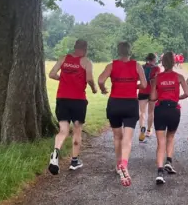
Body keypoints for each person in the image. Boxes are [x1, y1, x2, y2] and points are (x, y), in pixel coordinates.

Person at [98, 41, 147, 187]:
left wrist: (103, 88)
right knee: (128, 138)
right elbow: (144, 85)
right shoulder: (137, 65)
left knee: (117, 136)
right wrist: (133, 84)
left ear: (118, 51)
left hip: (115, 104)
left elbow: (100, 80)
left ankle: (118, 164)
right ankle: (124, 165)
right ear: (129, 51)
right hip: (130, 104)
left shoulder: (111, 65)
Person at [48, 39, 97, 175]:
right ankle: (74, 161)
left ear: (74, 47)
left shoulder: (63, 59)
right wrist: (94, 88)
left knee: (63, 130)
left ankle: (55, 154)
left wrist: (62, 79)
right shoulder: (86, 62)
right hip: (78, 100)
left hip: (62, 98)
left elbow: (51, 74)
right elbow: (89, 79)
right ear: (85, 49)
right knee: (77, 130)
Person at [150, 52, 188, 185]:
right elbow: (187, 93)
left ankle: (160, 172)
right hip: (173, 110)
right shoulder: (179, 77)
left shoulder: (157, 77)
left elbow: (152, 98)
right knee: (170, 137)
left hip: (160, 109)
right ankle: (169, 161)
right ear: (174, 63)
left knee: (160, 142)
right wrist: (176, 97)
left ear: (163, 63)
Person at [138, 53, 160, 142]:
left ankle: (141, 129)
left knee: (142, 112)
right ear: (154, 59)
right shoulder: (156, 68)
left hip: (142, 91)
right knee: (151, 112)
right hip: (152, 92)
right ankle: (148, 130)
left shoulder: (142, 67)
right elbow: (157, 80)